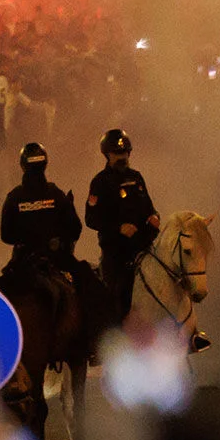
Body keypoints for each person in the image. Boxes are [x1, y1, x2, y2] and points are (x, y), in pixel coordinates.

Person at [85, 128, 159, 323]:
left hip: (143, 248)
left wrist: (154, 218)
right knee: (114, 297)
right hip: (116, 252)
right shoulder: (99, 183)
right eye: (117, 154)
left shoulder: (137, 178)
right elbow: (91, 218)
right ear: (107, 155)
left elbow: (150, 209)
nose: (122, 157)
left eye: (125, 153)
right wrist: (118, 228)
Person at [0, 142, 82, 275]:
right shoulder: (57, 194)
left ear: (23, 166)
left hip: (23, 262)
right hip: (56, 259)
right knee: (89, 283)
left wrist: (27, 238)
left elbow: (6, 235)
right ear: (45, 164)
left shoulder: (14, 197)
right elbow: (75, 228)